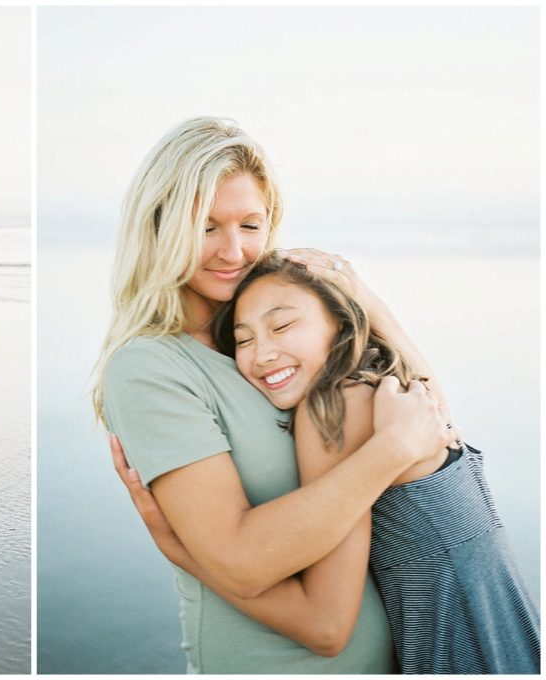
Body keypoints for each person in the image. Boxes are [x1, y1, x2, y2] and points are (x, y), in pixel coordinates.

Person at [92, 117, 453, 673]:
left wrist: (372, 309)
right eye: (204, 226)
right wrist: (388, 453)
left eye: (250, 225)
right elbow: (244, 564)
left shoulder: (281, 337)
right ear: (159, 227)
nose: (233, 252)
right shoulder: (150, 368)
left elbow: (432, 430)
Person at [204, 251, 538, 673]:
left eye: (282, 325)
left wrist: (182, 548)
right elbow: (444, 419)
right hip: (512, 639)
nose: (263, 353)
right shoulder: (388, 389)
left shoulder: (333, 408)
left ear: (341, 322)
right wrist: (372, 304)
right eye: (244, 340)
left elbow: (326, 626)